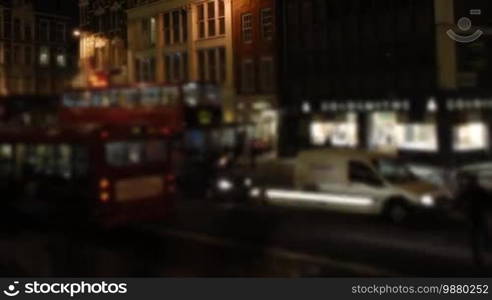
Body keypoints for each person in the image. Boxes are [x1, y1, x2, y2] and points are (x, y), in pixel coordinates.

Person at [456, 172, 490, 268]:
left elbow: (458, 201)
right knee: (482, 234)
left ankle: (478, 257)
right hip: (478, 215)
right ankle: (481, 254)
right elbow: (488, 201)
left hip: (472, 215)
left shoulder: (467, 190)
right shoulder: (479, 190)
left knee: (475, 236)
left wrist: (457, 209)